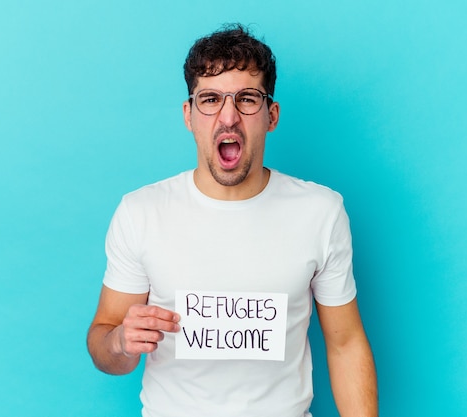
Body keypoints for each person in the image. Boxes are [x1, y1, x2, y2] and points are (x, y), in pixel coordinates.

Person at [87, 23, 378, 417]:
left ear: (271, 115)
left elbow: (345, 343)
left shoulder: (320, 212)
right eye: (210, 99)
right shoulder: (141, 212)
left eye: (246, 99)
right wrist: (122, 340)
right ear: (189, 115)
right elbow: (106, 349)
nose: (228, 117)